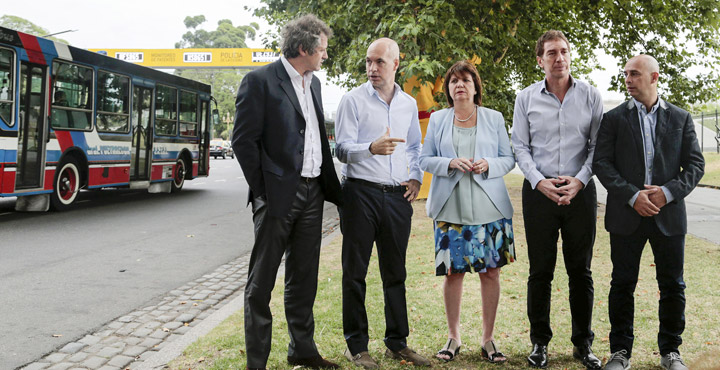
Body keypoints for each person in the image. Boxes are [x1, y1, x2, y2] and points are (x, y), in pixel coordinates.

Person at [231, 14, 342, 370]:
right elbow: (243, 141)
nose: (325, 56)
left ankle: (303, 350)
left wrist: (329, 186)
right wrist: (264, 189)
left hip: (313, 194)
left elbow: (315, 140)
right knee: (261, 283)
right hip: (276, 197)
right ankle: (257, 363)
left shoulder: (316, 84)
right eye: (322, 49)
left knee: (304, 278)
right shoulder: (259, 81)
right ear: (303, 48)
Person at [593, 55, 704, 370]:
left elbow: (695, 165)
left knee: (673, 285)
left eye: (635, 74)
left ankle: (671, 352)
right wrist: (632, 196)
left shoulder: (681, 119)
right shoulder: (613, 118)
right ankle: (620, 353)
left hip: (669, 217)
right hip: (626, 216)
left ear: (654, 77)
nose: (628, 79)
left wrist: (667, 193)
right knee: (622, 283)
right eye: (626, 74)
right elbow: (602, 163)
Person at [335, 37, 429, 369]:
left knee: (395, 272)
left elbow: (416, 146)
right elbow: (341, 149)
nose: (372, 68)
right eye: (368, 62)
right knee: (355, 272)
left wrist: (416, 176)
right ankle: (356, 345)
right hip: (360, 193)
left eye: (379, 62)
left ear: (396, 64)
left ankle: (397, 342)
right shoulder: (352, 100)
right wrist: (370, 149)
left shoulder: (407, 103)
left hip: (397, 198)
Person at [511, 30, 603, 369]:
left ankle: (583, 344)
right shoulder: (526, 98)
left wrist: (579, 182)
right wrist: (540, 182)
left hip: (580, 193)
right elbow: (520, 146)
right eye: (551, 53)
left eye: (564, 51)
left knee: (581, 271)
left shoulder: (591, 96)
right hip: (539, 194)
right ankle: (540, 343)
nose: (559, 58)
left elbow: (597, 147)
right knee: (540, 271)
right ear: (540, 60)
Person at [419, 60, 516, 364]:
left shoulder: (494, 118)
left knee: (490, 273)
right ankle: (454, 337)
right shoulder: (437, 120)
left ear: (476, 87)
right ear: (448, 89)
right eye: (454, 81)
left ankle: (488, 339)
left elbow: (508, 158)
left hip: (491, 208)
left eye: (466, 80)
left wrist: (489, 164)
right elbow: (425, 159)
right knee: (453, 273)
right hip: (450, 209)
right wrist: (448, 163)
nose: (459, 85)